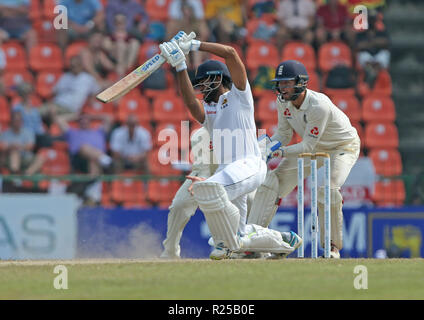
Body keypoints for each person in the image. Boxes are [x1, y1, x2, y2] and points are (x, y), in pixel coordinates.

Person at [158, 32, 301, 260]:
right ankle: (285, 241)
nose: (202, 88)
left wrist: (195, 45)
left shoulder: (239, 96)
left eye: (205, 82)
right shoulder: (210, 109)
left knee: (211, 193)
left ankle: (224, 244)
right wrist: (180, 66)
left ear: (220, 79)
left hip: (249, 165)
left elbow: (231, 53)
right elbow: (189, 102)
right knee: (239, 233)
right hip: (229, 170)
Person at [247, 60, 361, 259]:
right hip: (314, 146)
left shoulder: (319, 106)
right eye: (280, 83)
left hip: (342, 147)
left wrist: (279, 152)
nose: (282, 88)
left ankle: (332, 247)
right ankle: (254, 242)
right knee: (271, 181)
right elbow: (283, 133)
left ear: (300, 82)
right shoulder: (283, 101)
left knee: (328, 189)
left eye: (286, 83)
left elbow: (307, 146)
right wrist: (264, 147)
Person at [42, 55, 101, 123]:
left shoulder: (88, 78)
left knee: (50, 111)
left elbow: (97, 91)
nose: (73, 68)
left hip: (70, 109)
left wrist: (90, 101)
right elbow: (54, 92)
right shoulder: (66, 76)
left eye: (76, 65)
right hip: (57, 104)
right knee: (35, 113)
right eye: (72, 66)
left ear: (81, 66)